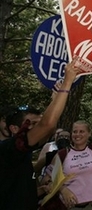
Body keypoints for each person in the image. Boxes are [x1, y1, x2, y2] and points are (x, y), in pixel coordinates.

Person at [0, 60, 79, 210]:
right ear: (14, 129)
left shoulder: (22, 153)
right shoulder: (7, 150)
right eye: (32, 124)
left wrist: (41, 190)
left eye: (38, 123)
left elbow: (48, 127)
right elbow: (47, 125)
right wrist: (67, 83)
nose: (38, 129)